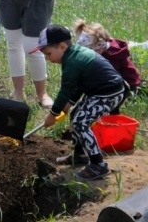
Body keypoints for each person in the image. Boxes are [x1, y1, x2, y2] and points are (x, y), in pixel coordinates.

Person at [34, 24, 127, 181]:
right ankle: (80, 155)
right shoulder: (73, 55)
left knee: (80, 122)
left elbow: (65, 90)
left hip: (109, 92)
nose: (48, 59)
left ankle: (98, 165)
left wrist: (53, 114)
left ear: (62, 46)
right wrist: (69, 104)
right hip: (98, 91)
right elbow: (78, 86)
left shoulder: (72, 62)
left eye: (49, 54)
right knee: (76, 115)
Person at [72, 19, 142, 92]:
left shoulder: (113, 56)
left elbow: (109, 77)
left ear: (101, 46)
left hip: (129, 86)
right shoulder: (106, 49)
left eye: (94, 51)